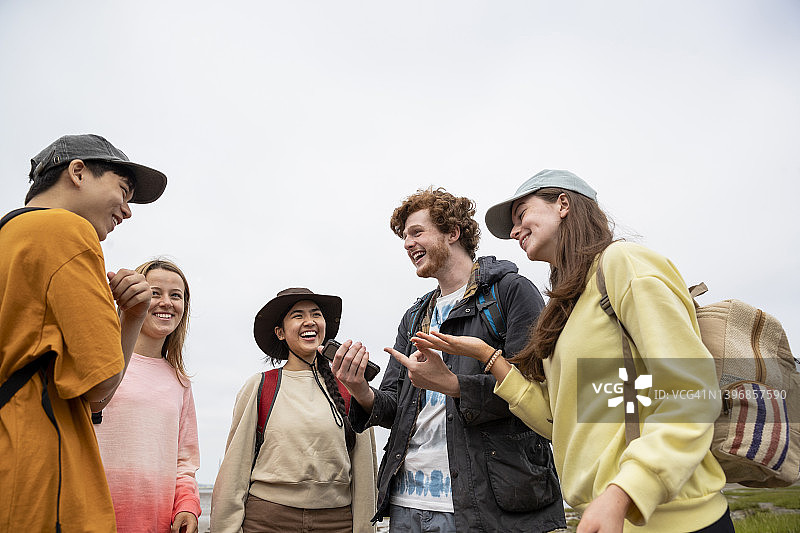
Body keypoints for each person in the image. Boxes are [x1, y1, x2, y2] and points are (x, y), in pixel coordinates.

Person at [409, 170, 735, 533]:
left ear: (563, 204)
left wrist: (625, 490)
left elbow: (691, 391)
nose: (514, 232)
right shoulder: (566, 307)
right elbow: (557, 420)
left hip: (674, 518)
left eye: (521, 216)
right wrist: (490, 357)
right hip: (608, 515)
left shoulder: (623, 263)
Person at [333, 188, 566, 533]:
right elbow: (392, 408)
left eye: (417, 232)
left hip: (487, 509)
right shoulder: (415, 315)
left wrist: (454, 386)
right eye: (404, 237)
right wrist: (359, 388)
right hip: (406, 505)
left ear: (452, 233)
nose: (407, 244)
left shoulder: (512, 292)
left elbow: (533, 394)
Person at [0, 134, 167, 531]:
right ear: (78, 172)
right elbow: (100, 385)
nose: (127, 211)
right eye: (123, 192)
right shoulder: (66, 230)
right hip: (42, 470)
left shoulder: (9, 236)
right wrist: (132, 317)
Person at [210, 288, 378, 533]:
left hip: (336, 522)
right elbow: (235, 469)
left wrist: (365, 528)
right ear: (280, 332)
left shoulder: (352, 388)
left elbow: (365, 471)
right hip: (267, 520)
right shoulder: (260, 386)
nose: (309, 321)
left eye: (316, 314)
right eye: (297, 315)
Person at [95, 259, 201, 533]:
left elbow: (184, 463)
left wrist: (187, 505)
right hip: (92, 513)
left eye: (175, 296)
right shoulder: (102, 365)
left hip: (155, 522)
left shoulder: (180, 383)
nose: (166, 302)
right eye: (155, 293)